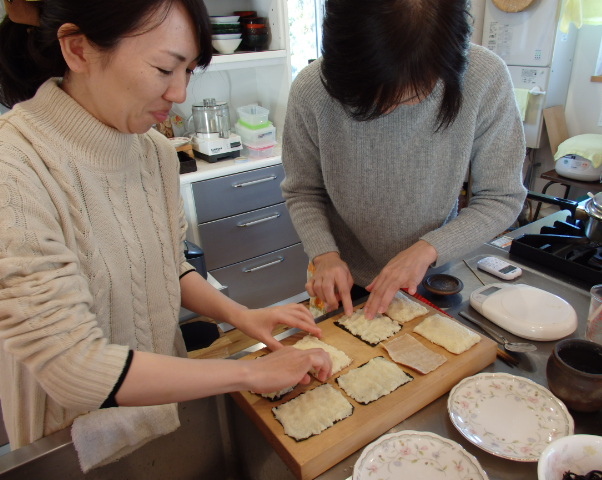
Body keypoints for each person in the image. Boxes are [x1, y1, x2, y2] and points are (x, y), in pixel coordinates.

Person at [0, 0, 331, 469]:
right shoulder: (15, 169)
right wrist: (246, 372)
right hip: (71, 443)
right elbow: (73, 367)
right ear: (78, 49)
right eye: (163, 68)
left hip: (164, 410)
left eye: (190, 71)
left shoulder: (154, 152)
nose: (179, 92)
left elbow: (165, 264)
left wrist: (242, 315)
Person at [281, 0, 527, 320]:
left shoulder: (484, 77)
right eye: (369, 92)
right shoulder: (313, 87)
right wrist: (324, 254)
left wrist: (429, 249)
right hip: (343, 277)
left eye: (411, 94)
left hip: (431, 274)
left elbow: (501, 197)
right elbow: (302, 190)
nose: (386, 109)